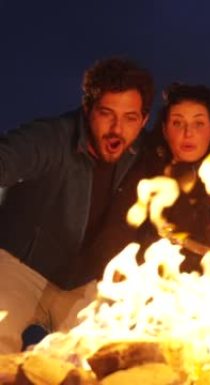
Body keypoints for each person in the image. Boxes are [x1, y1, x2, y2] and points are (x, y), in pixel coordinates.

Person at [0, 57, 154, 353]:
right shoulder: (52, 137)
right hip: (20, 266)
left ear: (144, 120)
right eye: (106, 114)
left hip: (84, 282)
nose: (116, 129)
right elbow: (8, 157)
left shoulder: (145, 155)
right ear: (88, 109)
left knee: (97, 359)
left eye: (130, 117)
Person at [77, 82, 210, 279]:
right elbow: (118, 231)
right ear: (164, 130)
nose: (188, 133)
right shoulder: (143, 173)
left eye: (198, 123)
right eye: (177, 123)